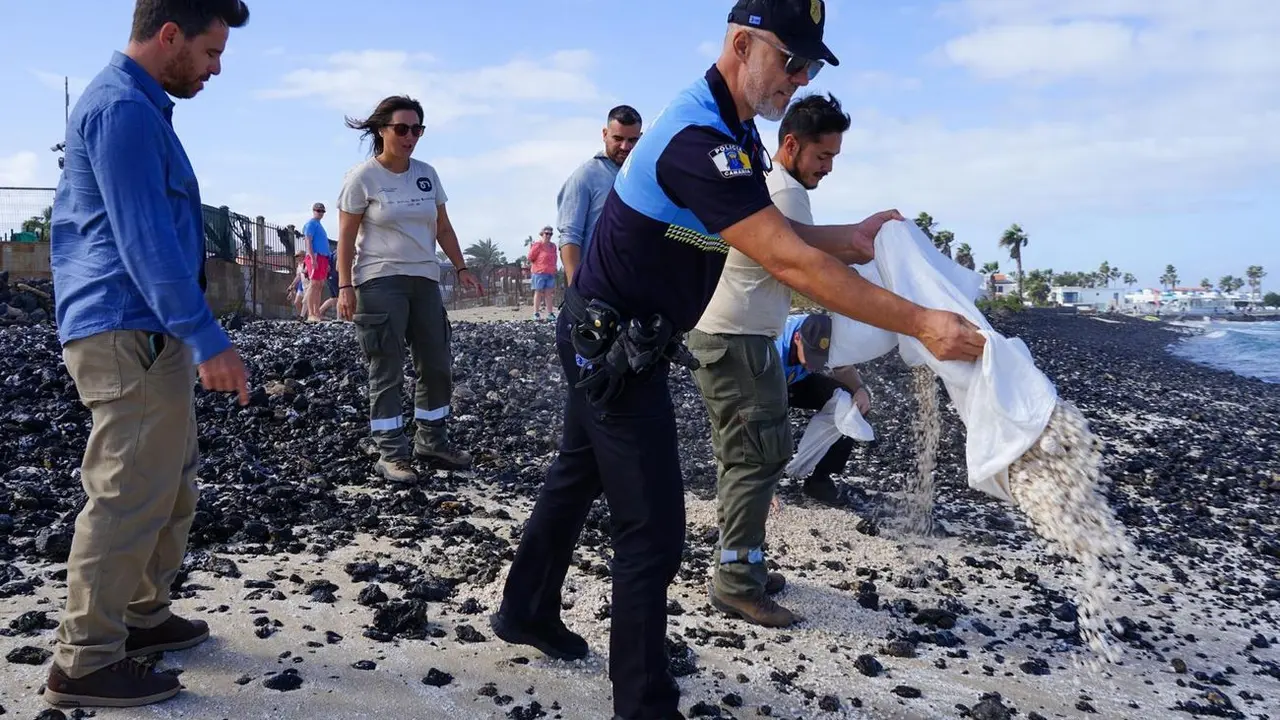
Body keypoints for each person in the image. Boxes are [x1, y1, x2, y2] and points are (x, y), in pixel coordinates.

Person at [489, 2, 985, 717]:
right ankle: (644, 701)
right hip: (611, 350)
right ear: (743, 43)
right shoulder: (698, 139)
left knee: (574, 478)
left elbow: (778, 230)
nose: (800, 78)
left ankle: (525, 611)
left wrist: (860, 237)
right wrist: (920, 324)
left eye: (811, 65)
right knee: (653, 535)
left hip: (625, 340)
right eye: (792, 61)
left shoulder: (737, 136)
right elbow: (784, 258)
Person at [44, 0, 251, 708]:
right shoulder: (122, 112)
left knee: (170, 480)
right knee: (129, 492)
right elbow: (144, 244)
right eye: (211, 52)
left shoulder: (142, 107)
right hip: (126, 326)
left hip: (147, 331)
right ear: (170, 35)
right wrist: (208, 337)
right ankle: (85, 660)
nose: (216, 68)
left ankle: (141, 617)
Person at [687, 91, 851, 627]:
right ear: (791, 144)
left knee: (743, 458)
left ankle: (742, 566)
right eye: (822, 157)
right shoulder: (783, 192)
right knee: (756, 460)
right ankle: (737, 583)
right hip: (738, 339)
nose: (827, 169)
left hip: (728, 335)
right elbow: (802, 266)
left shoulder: (766, 184)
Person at [335, 94, 484, 484]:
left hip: (425, 280)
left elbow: (443, 227)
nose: (410, 136)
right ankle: (391, 452)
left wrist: (461, 267)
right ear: (381, 130)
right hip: (380, 281)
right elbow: (346, 238)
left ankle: (432, 440)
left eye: (417, 129)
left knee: (436, 364)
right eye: (401, 128)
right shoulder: (362, 178)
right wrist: (345, 285)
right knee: (387, 367)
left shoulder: (427, 173)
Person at [776, 312, 871, 505]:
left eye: (820, 358)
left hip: (797, 381)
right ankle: (759, 485)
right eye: (811, 355)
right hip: (763, 380)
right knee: (768, 422)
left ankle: (820, 479)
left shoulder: (828, 337)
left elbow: (843, 369)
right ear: (797, 338)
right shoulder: (774, 345)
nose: (814, 363)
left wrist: (860, 390)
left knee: (849, 404)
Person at [556, 105, 642, 285]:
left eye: (632, 140)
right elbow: (570, 236)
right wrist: (575, 290)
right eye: (618, 138)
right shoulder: (586, 176)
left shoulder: (643, 177)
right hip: (596, 287)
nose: (625, 146)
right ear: (604, 134)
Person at [302, 201, 331, 320]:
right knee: (313, 284)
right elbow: (308, 241)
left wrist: (327, 262)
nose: (320, 213)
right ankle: (311, 313)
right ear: (314, 211)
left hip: (323, 257)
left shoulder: (319, 225)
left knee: (319, 285)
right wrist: (313, 258)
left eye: (322, 211)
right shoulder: (311, 224)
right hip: (315, 255)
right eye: (318, 211)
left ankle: (316, 312)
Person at [528, 225, 558, 320]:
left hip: (550, 273)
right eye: (547, 233)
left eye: (550, 234)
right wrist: (539, 264)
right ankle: (536, 313)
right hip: (539, 272)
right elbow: (530, 257)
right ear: (542, 234)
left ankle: (550, 314)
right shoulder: (537, 245)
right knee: (538, 292)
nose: (548, 235)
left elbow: (555, 258)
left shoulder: (553, 246)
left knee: (549, 293)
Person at [289, 249, 308, 319]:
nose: (296, 258)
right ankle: (302, 317)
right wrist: (292, 285)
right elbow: (298, 276)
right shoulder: (299, 265)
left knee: (306, 301)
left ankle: (305, 317)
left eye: (297, 256)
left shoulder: (307, 263)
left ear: (303, 256)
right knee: (297, 302)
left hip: (308, 284)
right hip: (302, 284)